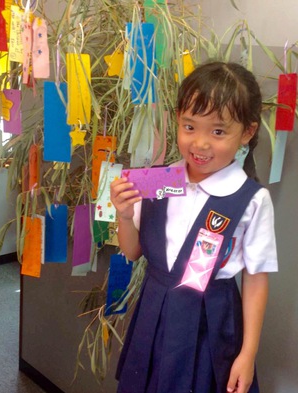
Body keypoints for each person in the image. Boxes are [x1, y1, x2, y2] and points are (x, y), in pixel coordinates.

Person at [110, 61, 278, 393]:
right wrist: (125, 215)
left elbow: (256, 280)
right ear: (177, 120)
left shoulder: (252, 199)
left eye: (217, 131)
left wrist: (248, 352)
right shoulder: (158, 179)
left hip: (210, 325)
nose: (199, 143)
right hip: (153, 315)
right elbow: (133, 251)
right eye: (190, 126)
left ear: (246, 132)